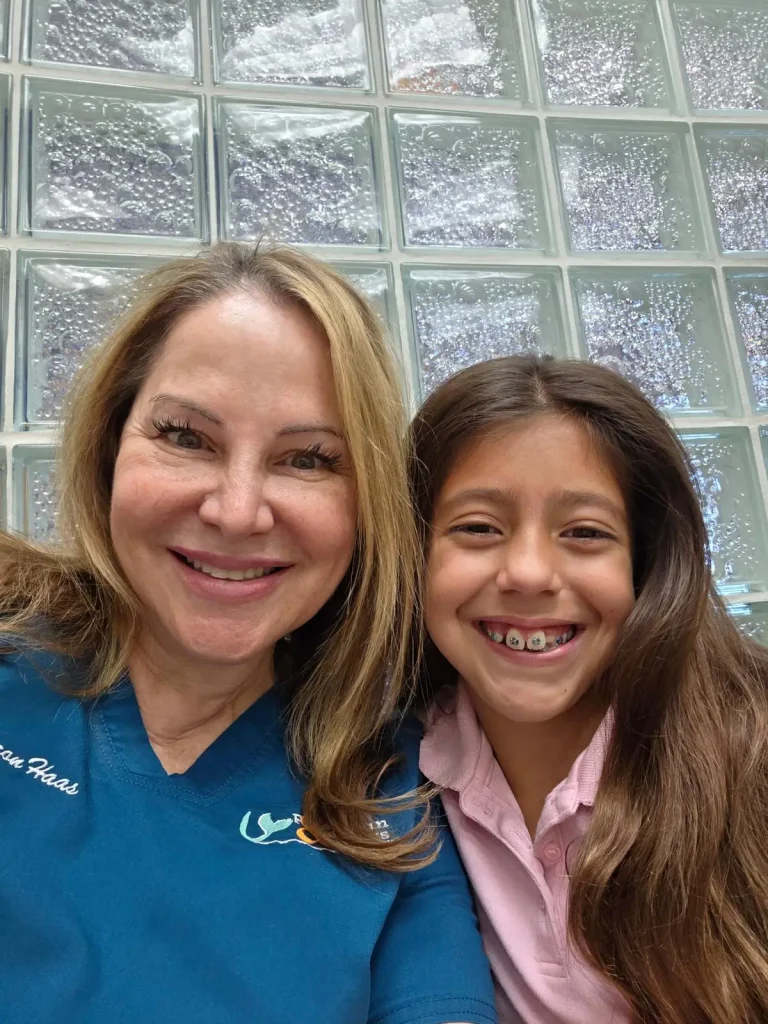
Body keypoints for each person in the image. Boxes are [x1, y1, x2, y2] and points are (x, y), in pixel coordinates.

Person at [0, 242, 497, 1024]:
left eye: (307, 459)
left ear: (365, 506)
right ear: (108, 446)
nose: (237, 512)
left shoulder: (391, 788)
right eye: (186, 437)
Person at [411, 354, 768, 1024]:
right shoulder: (388, 769)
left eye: (584, 533)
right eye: (478, 528)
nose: (528, 573)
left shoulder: (752, 751)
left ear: (645, 565)